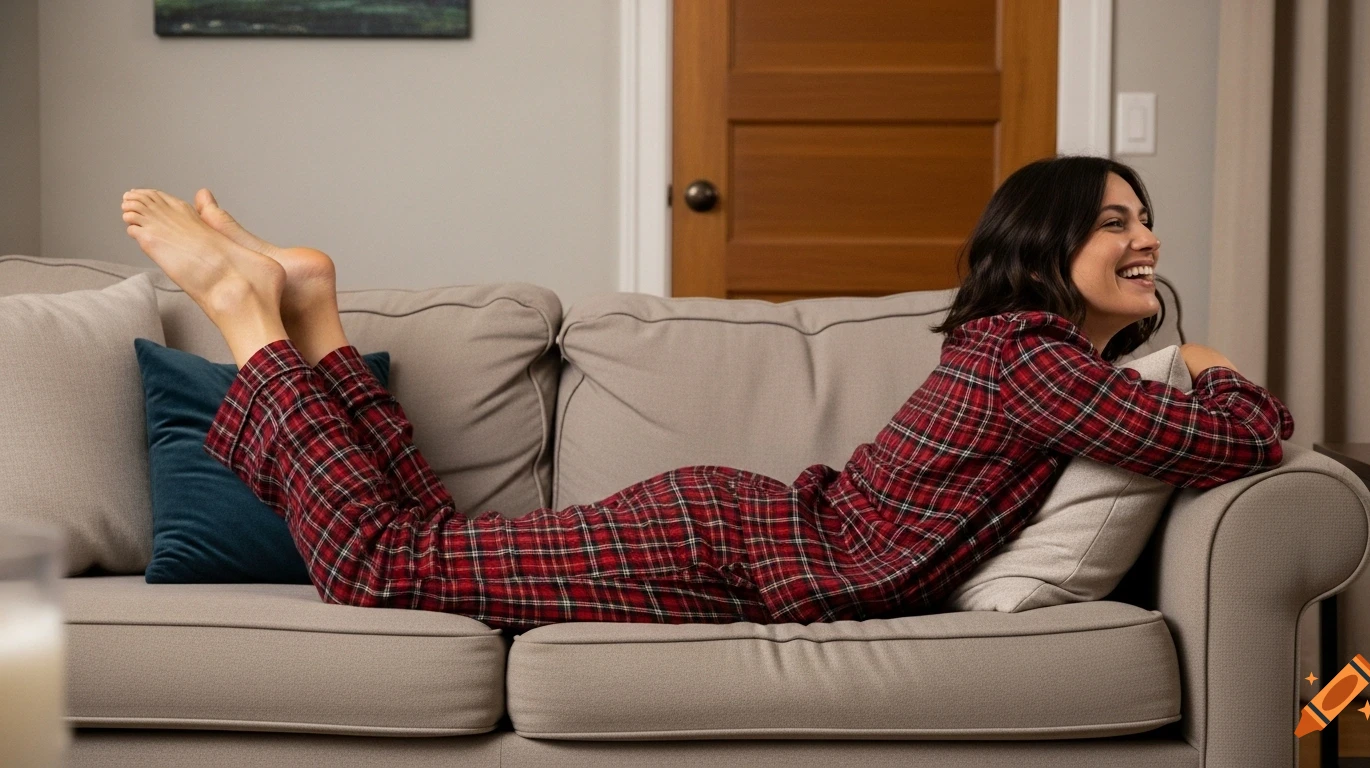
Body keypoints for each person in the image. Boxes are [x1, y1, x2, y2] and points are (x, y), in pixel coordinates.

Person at [118, 155, 1293, 633]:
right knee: (378, 566)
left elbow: (1200, 444)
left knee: (430, 550)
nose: (1147, 242)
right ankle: (247, 316)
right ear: (1047, 246)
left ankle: (313, 316)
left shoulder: (1029, 358)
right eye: (1116, 224)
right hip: (743, 548)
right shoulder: (1034, 358)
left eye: (1146, 223)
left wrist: (1177, 365)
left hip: (743, 535)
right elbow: (1234, 437)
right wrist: (1205, 362)